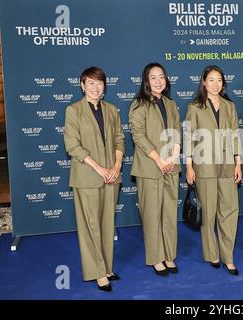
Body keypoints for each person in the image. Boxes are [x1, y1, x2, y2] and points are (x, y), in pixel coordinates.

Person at [64, 66, 125, 292]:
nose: (95, 87)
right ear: (82, 85)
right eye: (91, 83)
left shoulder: (112, 110)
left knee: (107, 224)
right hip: (87, 176)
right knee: (91, 226)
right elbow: (72, 146)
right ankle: (97, 273)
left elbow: (120, 139)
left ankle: (107, 267)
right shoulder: (73, 111)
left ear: (104, 86)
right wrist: (99, 168)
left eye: (99, 83)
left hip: (111, 176)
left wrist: (117, 166)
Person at [184, 65, 241, 276]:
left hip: (227, 166)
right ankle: (212, 254)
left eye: (219, 80)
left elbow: (235, 136)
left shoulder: (229, 106)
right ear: (204, 82)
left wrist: (238, 163)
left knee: (229, 212)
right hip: (204, 166)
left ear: (223, 83)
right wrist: (189, 166)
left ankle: (229, 257)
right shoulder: (194, 107)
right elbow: (189, 138)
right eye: (211, 80)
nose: (215, 84)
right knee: (207, 214)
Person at [129, 63, 181, 276]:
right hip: (150, 167)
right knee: (152, 215)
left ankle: (169, 254)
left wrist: (174, 154)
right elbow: (138, 135)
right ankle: (156, 258)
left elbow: (177, 129)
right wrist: (159, 159)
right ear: (146, 81)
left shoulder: (170, 103)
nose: (158, 81)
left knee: (169, 213)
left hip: (171, 166)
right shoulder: (139, 104)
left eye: (161, 77)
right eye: (153, 77)